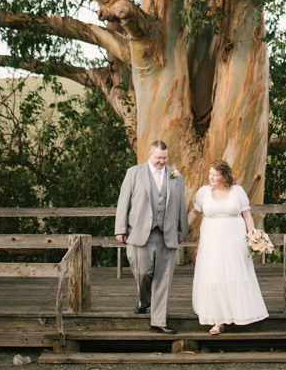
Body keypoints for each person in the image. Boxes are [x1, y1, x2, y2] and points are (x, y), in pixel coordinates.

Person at [115, 140, 188, 334]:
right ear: (150, 154)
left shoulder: (175, 176)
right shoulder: (134, 173)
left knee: (163, 278)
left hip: (167, 234)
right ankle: (144, 300)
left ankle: (158, 322)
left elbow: (181, 204)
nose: (162, 161)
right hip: (139, 232)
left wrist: (182, 231)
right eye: (158, 158)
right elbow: (123, 202)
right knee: (143, 272)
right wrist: (120, 229)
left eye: (165, 158)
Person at [188, 159, 269, 335]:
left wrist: (253, 235)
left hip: (234, 240)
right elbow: (194, 212)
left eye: (215, 175)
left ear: (224, 176)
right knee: (214, 275)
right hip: (211, 241)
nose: (211, 178)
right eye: (210, 174)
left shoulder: (237, 192)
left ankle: (238, 313)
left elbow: (247, 215)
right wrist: (179, 231)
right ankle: (217, 320)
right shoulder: (203, 192)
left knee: (234, 273)